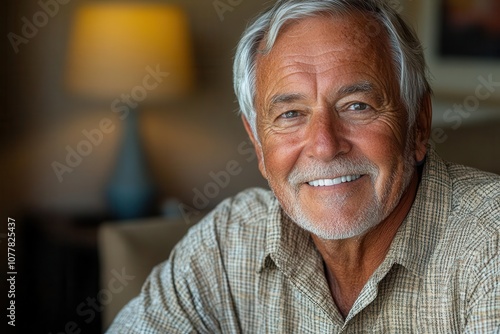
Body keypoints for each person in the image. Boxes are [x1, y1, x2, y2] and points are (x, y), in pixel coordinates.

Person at [108, 0, 500, 332]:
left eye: (356, 106)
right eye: (291, 114)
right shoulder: (228, 245)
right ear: (259, 145)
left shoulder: (488, 244)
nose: (325, 146)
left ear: (419, 123)